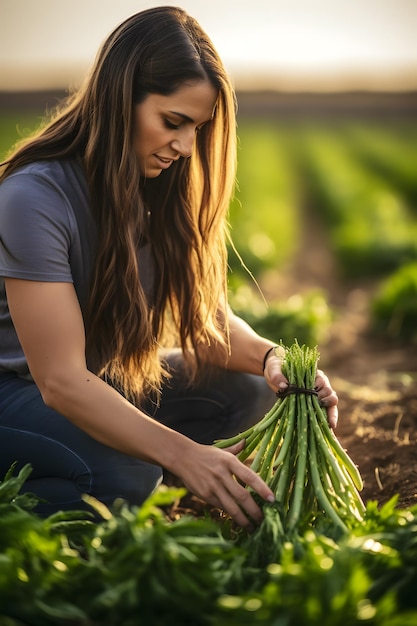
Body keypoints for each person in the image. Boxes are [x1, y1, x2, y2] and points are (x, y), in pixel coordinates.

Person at [0, 6, 338, 531]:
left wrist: (274, 358)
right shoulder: (32, 197)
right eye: (172, 122)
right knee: (130, 470)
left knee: (244, 392)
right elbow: (60, 380)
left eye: (197, 128)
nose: (184, 146)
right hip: (16, 394)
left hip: (94, 382)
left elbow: (207, 325)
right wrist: (182, 454)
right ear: (119, 101)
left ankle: (127, 478)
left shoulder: (155, 192)